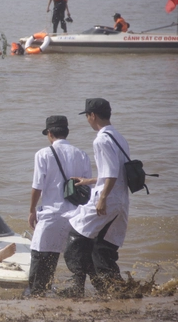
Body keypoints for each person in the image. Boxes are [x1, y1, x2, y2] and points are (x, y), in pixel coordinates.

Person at [61, 98, 130, 298]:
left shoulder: (101, 139)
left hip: (107, 200)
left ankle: (75, 287)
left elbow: (112, 174)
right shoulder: (118, 136)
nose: (88, 121)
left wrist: (101, 198)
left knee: (76, 232)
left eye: (87, 117)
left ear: (92, 115)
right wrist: (89, 180)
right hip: (121, 201)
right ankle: (115, 290)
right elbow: (117, 172)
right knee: (103, 247)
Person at [26, 115, 92, 297]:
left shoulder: (43, 154)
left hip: (52, 215)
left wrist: (32, 210)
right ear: (67, 132)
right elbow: (89, 188)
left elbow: (37, 187)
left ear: (49, 133)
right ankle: (77, 293)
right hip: (77, 217)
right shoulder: (81, 154)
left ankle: (39, 296)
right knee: (75, 261)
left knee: (42, 258)